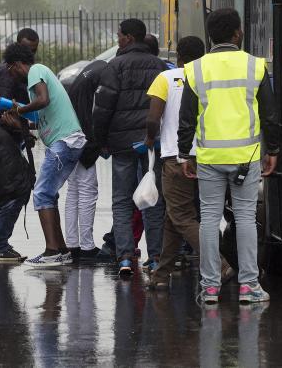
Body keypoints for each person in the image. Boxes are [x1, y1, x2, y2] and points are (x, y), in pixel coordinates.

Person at [179, 8, 282, 305]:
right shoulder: (255, 66)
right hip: (245, 156)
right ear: (238, 32)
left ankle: (210, 288)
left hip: (209, 155)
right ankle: (249, 286)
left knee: (209, 219)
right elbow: (269, 114)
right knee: (246, 218)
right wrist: (272, 150)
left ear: (210, 35)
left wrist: (186, 153)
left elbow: (187, 118)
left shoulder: (196, 69)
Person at [145, 36, 234, 289]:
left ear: (178, 57)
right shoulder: (208, 78)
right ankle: (161, 276)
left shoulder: (166, 78)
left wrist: (150, 138)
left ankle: (221, 264)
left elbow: (153, 118)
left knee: (182, 216)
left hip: (176, 157)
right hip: (208, 155)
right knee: (173, 217)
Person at [93, 19, 168, 276]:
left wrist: (100, 140)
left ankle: (125, 256)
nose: (117, 39)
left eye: (119, 35)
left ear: (127, 38)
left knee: (122, 201)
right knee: (153, 200)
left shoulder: (114, 66)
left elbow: (102, 108)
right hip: (151, 143)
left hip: (122, 144)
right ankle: (156, 257)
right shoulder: (160, 66)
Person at [1, 43, 85, 267]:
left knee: (41, 193)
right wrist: (18, 122)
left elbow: (43, 100)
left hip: (65, 141)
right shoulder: (35, 85)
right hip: (65, 141)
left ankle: (52, 252)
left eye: (10, 69)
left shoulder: (36, 70)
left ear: (17, 64)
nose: (11, 75)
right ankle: (61, 250)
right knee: (48, 194)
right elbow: (40, 120)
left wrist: (18, 109)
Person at [0, 28, 39, 263]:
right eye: (26, 50)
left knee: (15, 190)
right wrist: (22, 125)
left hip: (10, 139)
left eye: (33, 51)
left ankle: (0, 243)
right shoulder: (8, 72)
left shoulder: (21, 70)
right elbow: (0, 108)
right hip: (0, 140)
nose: (30, 56)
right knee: (11, 191)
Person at [64, 56, 107, 261]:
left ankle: (72, 244)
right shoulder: (105, 74)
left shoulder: (93, 70)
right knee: (88, 192)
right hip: (84, 140)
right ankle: (87, 247)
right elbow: (99, 112)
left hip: (70, 137)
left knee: (73, 191)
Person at [0, 28, 40, 129]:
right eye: (27, 49)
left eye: (34, 50)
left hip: (15, 130)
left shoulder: (26, 69)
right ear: (18, 45)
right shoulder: (9, 69)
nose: (31, 54)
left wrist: (25, 131)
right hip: (1, 133)